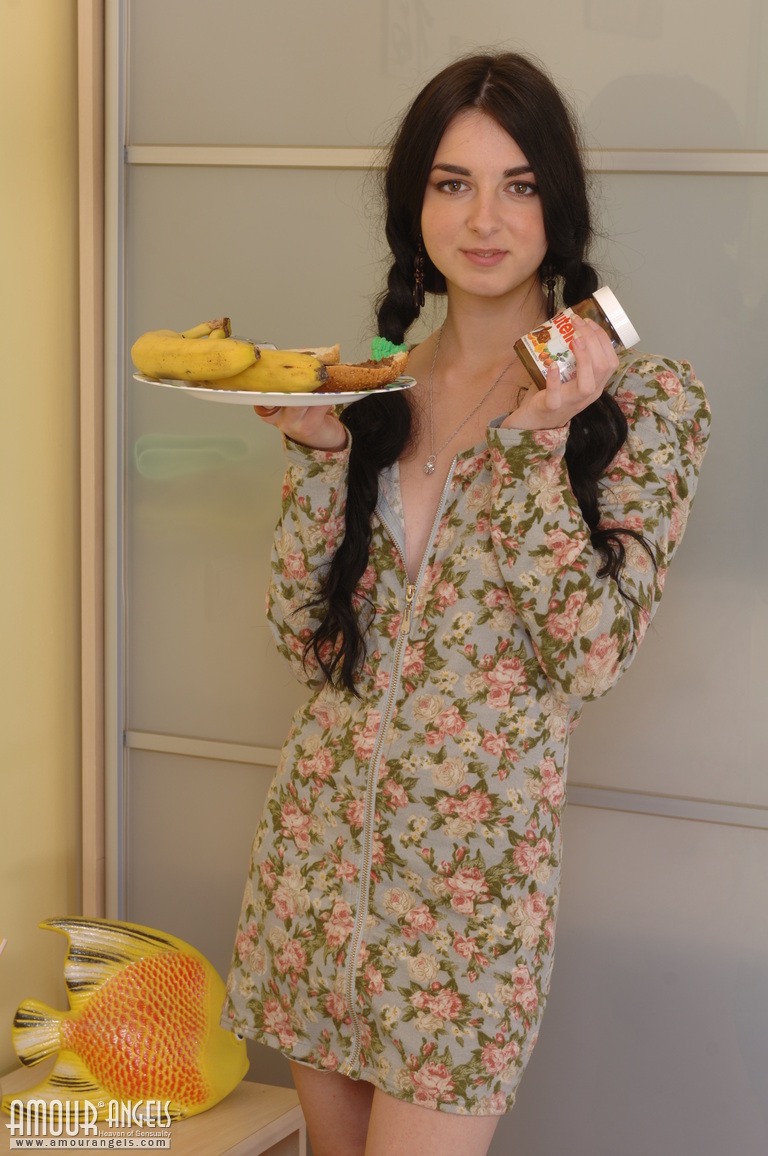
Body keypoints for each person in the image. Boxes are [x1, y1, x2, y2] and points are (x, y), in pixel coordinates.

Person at [221, 51, 710, 1156]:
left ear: (559, 205)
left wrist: (538, 439)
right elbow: (308, 645)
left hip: (468, 910)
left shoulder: (646, 404)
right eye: (453, 183)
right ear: (415, 204)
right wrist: (320, 459)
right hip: (314, 870)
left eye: (518, 184)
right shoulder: (374, 384)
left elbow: (589, 656)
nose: (484, 219)